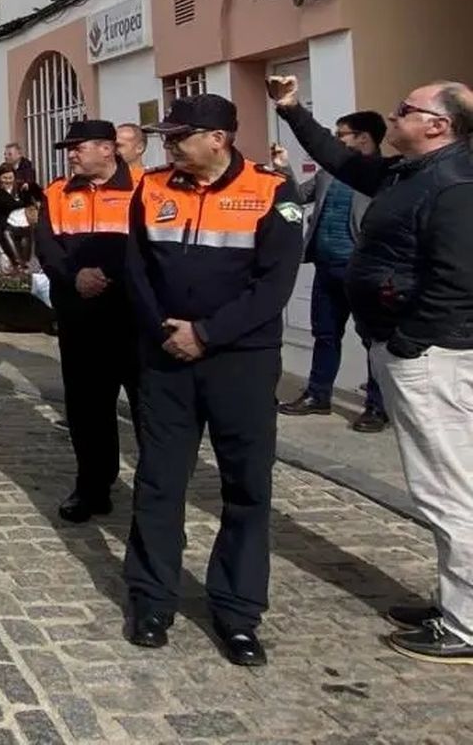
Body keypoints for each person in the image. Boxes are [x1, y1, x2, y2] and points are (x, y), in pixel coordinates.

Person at [269, 76, 473, 664]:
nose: (394, 113)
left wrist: (408, 345)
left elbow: (458, 282)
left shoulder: (455, 185)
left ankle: (465, 623)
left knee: (448, 488)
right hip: (414, 350)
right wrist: (290, 110)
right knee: (440, 485)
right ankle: (454, 601)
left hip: (432, 357)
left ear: (438, 125)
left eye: (406, 109)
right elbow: (337, 157)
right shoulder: (408, 174)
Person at [123, 94, 302, 667]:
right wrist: (164, 330)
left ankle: (238, 611)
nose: (168, 145)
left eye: (179, 136)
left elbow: (274, 288)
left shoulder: (273, 193)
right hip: (166, 358)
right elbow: (137, 270)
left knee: (246, 488)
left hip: (241, 362)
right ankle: (152, 600)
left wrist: (206, 333)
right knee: (158, 481)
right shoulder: (151, 188)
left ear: (218, 139)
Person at [33, 120, 139, 523]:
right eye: (69, 148)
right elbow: (47, 246)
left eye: (79, 147)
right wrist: (74, 277)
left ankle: (157, 500)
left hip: (131, 318)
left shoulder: (143, 188)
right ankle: (93, 486)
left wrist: (110, 276)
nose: (71, 154)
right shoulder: (58, 192)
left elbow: (150, 245)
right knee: (87, 409)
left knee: (149, 411)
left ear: (108, 149)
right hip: (81, 318)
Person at [271, 111, 390, 430]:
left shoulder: (383, 175)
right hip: (326, 269)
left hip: (363, 272)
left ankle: (377, 407)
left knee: (373, 341)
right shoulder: (329, 173)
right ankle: (317, 395)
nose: (335, 141)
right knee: (325, 335)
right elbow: (296, 198)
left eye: (342, 135)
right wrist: (282, 168)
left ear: (363, 138)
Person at [0, 165, 37, 267]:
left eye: (10, 178)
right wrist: (20, 202)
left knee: (25, 260)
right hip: (7, 227)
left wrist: (22, 199)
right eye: (4, 178)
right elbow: (6, 205)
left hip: (24, 226)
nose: (8, 181)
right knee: (14, 259)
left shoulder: (20, 187)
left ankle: (23, 279)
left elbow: (29, 201)